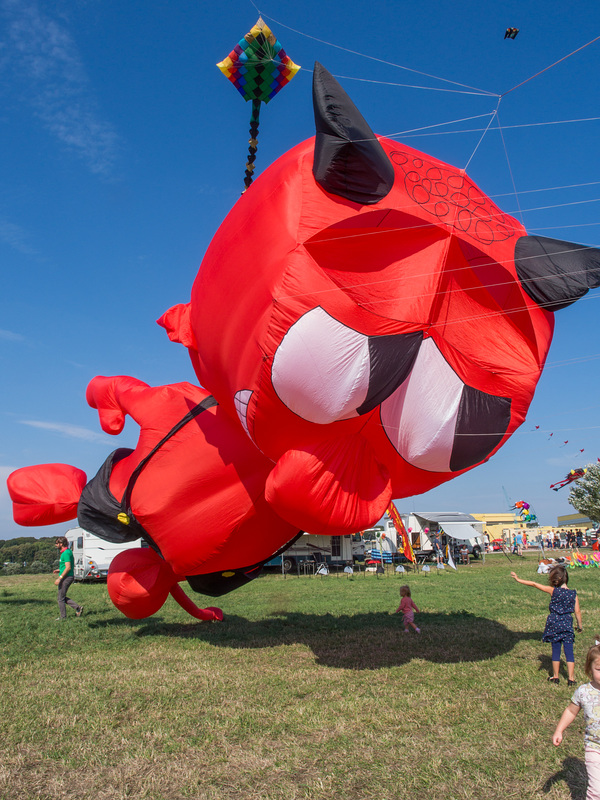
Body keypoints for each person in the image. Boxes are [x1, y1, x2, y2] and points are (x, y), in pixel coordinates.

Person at [510, 565, 582, 684]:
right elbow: (577, 612)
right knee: (569, 652)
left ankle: (555, 676)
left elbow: (534, 584)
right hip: (567, 624)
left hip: (554, 624)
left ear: (556, 579)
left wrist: (518, 579)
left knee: (556, 651)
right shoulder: (573, 594)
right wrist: (580, 626)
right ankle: (571, 678)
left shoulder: (553, 591)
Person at [552, 644, 600, 800]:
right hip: (594, 747)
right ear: (589, 669)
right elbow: (571, 711)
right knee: (596, 790)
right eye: (599, 669)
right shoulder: (584, 692)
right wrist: (559, 730)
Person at [53, 537, 83, 621]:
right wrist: (59, 570)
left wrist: (59, 578)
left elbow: (68, 567)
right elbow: (67, 565)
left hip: (66, 577)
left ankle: (63, 617)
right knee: (61, 597)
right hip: (67, 576)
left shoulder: (65, 553)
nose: (56, 545)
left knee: (60, 599)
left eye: (57, 543)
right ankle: (77, 608)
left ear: (61, 544)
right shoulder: (68, 551)